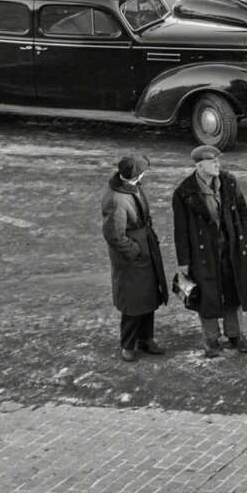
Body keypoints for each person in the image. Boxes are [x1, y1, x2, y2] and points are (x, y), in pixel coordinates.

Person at [172, 145, 247, 359]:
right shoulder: (184, 192)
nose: (218, 165)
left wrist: (243, 239)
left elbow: (243, 210)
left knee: (233, 292)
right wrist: (184, 260)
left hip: (230, 250)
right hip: (203, 255)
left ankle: (235, 335)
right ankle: (211, 339)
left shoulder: (228, 182)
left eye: (218, 161)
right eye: (213, 162)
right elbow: (180, 229)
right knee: (207, 297)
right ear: (200, 166)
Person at [101, 154, 168, 362]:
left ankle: (145, 338)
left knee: (148, 297)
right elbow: (114, 235)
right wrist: (134, 251)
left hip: (144, 249)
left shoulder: (131, 187)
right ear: (135, 175)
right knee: (132, 303)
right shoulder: (116, 199)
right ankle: (128, 344)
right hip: (131, 258)